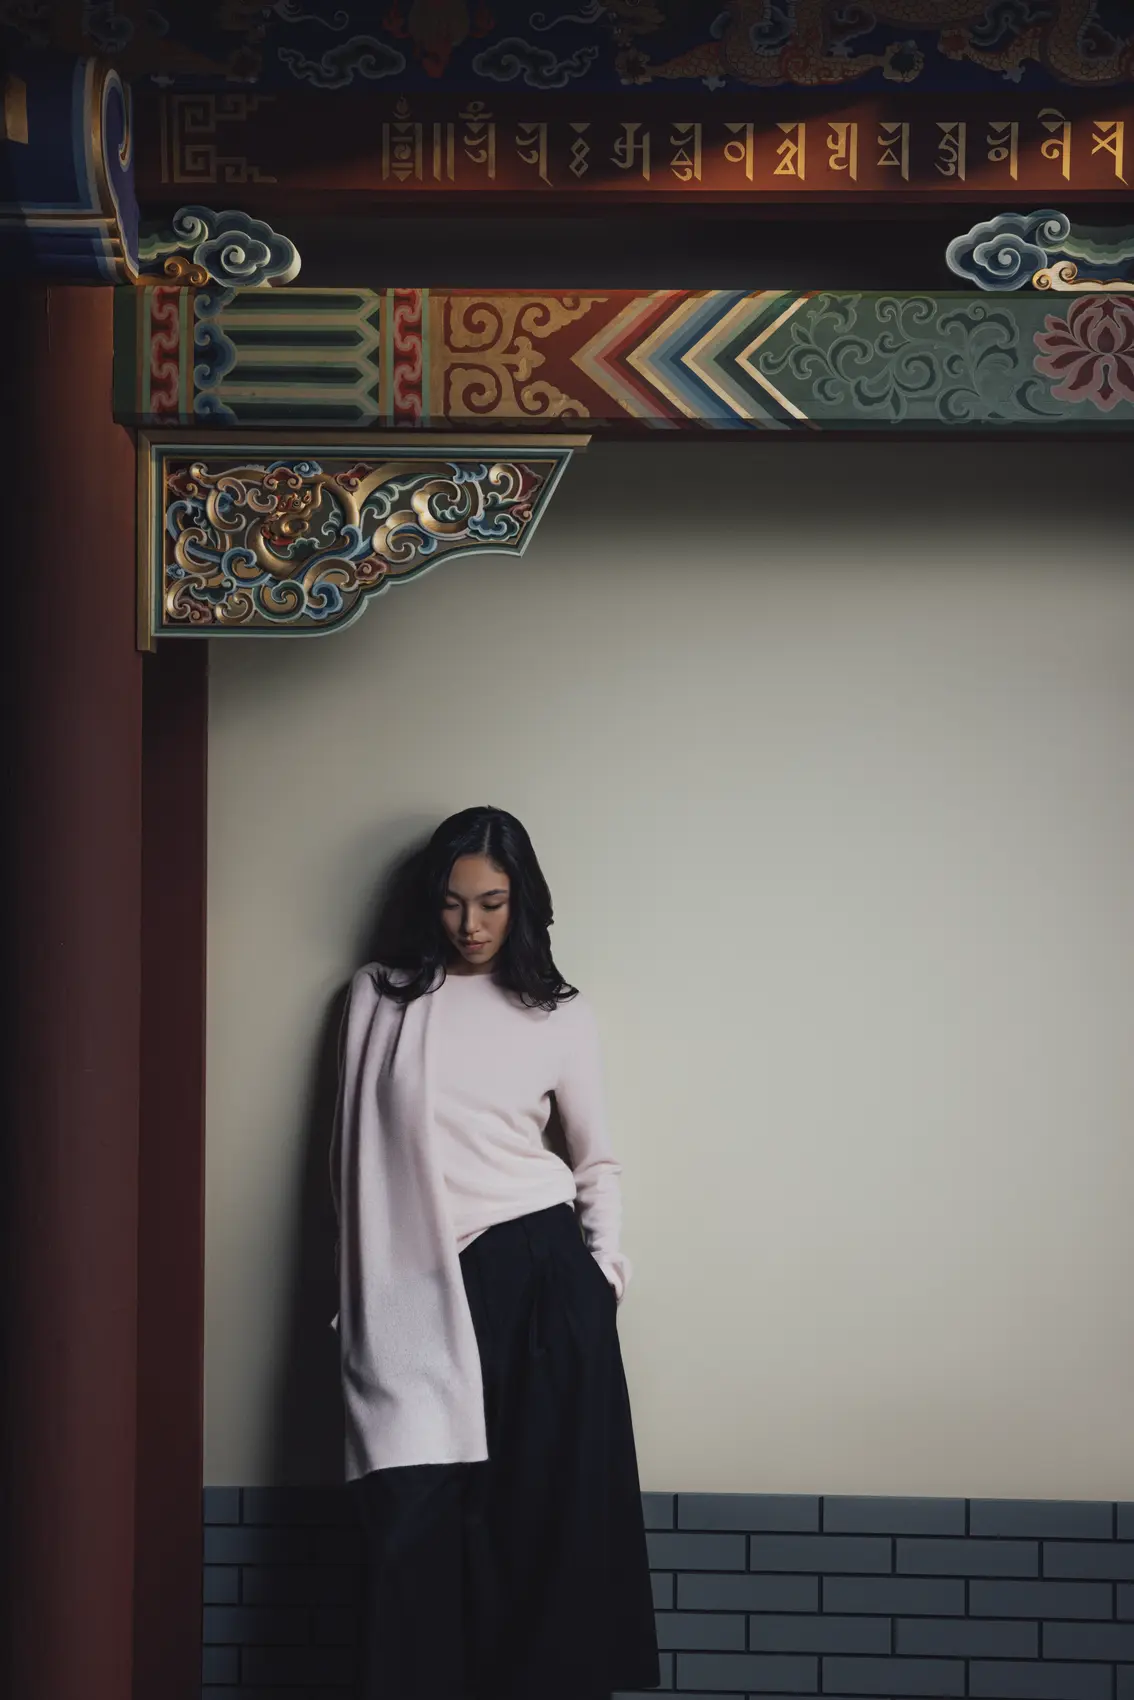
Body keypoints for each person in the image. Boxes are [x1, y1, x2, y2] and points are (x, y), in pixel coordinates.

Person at [329, 805, 660, 1700]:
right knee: (414, 1524)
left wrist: (602, 1277)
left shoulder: (557, 1012)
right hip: (416, 1284)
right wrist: (357, 1302)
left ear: (522, 905)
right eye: (451, 903)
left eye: (491, 903)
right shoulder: (381, 995)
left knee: (537, 1533)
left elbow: (596, 1162)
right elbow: (348, 1165)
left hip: (543, 1282)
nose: (469, 925)